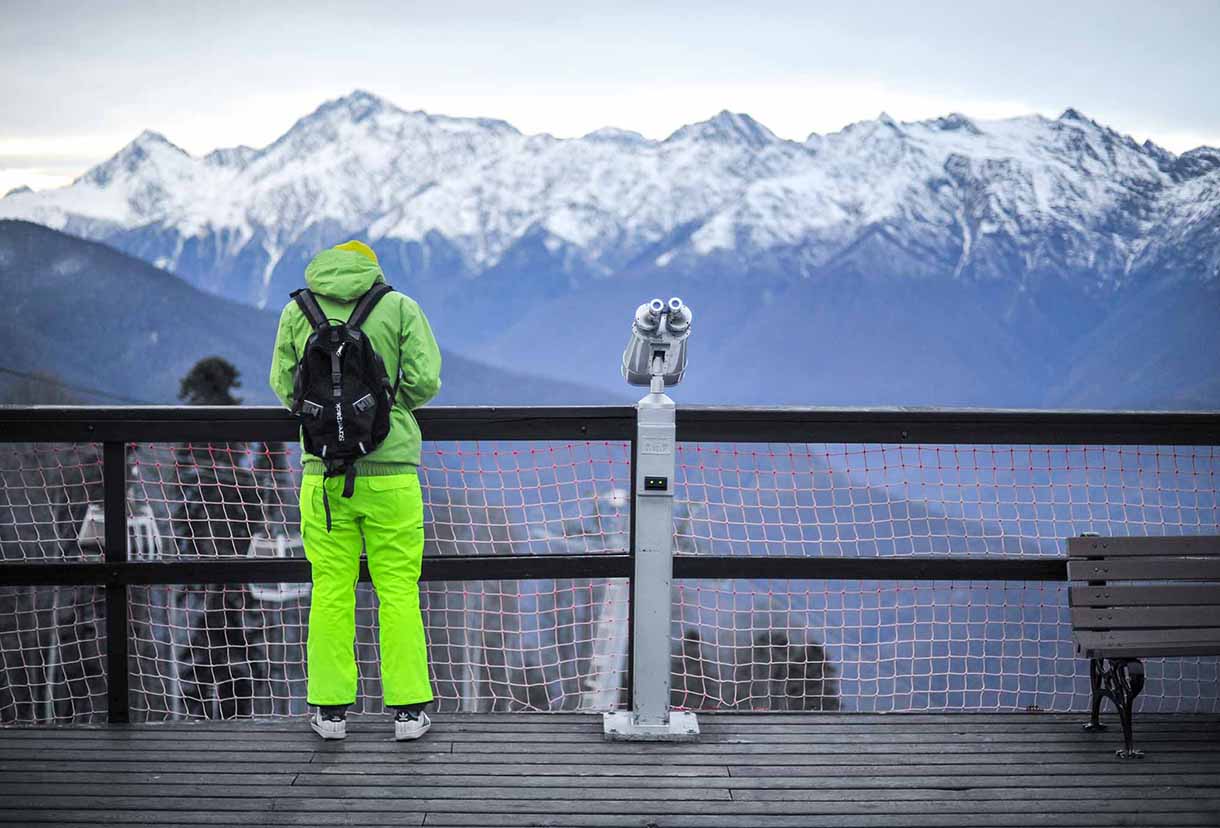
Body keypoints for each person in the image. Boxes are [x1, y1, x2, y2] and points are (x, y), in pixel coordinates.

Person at [270, 240, 442, 740]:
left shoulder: (297, 311)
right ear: (372, 269)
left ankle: (330, 712)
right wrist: (383, 407)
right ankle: (408, 712)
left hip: (323, 476)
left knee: (330, 590)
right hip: (392, 475)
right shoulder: (399, 306)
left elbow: (283, 385)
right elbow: (426, 380)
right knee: (398, 591)